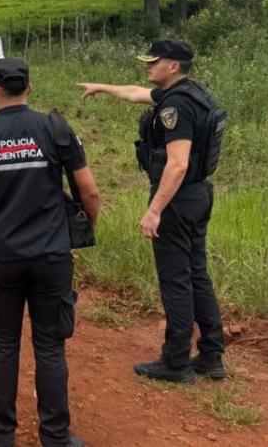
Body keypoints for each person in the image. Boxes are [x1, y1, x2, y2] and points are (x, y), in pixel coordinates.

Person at [0, 59, 99, 447]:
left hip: (4, 259)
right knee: (50, 346)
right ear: (29, 89)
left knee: (3, 343)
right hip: (52, 256)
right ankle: (55, 436)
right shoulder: (55, 128)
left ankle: (1, 433)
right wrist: (84, 230)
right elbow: (90, 191)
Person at [78, 39, 226, 383]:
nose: (148, 66)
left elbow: (177, 164)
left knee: (176, 279)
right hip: (199, 194)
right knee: (197, 274)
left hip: (176, 199)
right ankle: (211, 355)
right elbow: (134, 93)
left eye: (153, 62)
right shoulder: (192, 93)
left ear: (172, 66)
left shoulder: (176, 107)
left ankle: (175, 362)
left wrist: (155, 209)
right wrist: (100, 87)